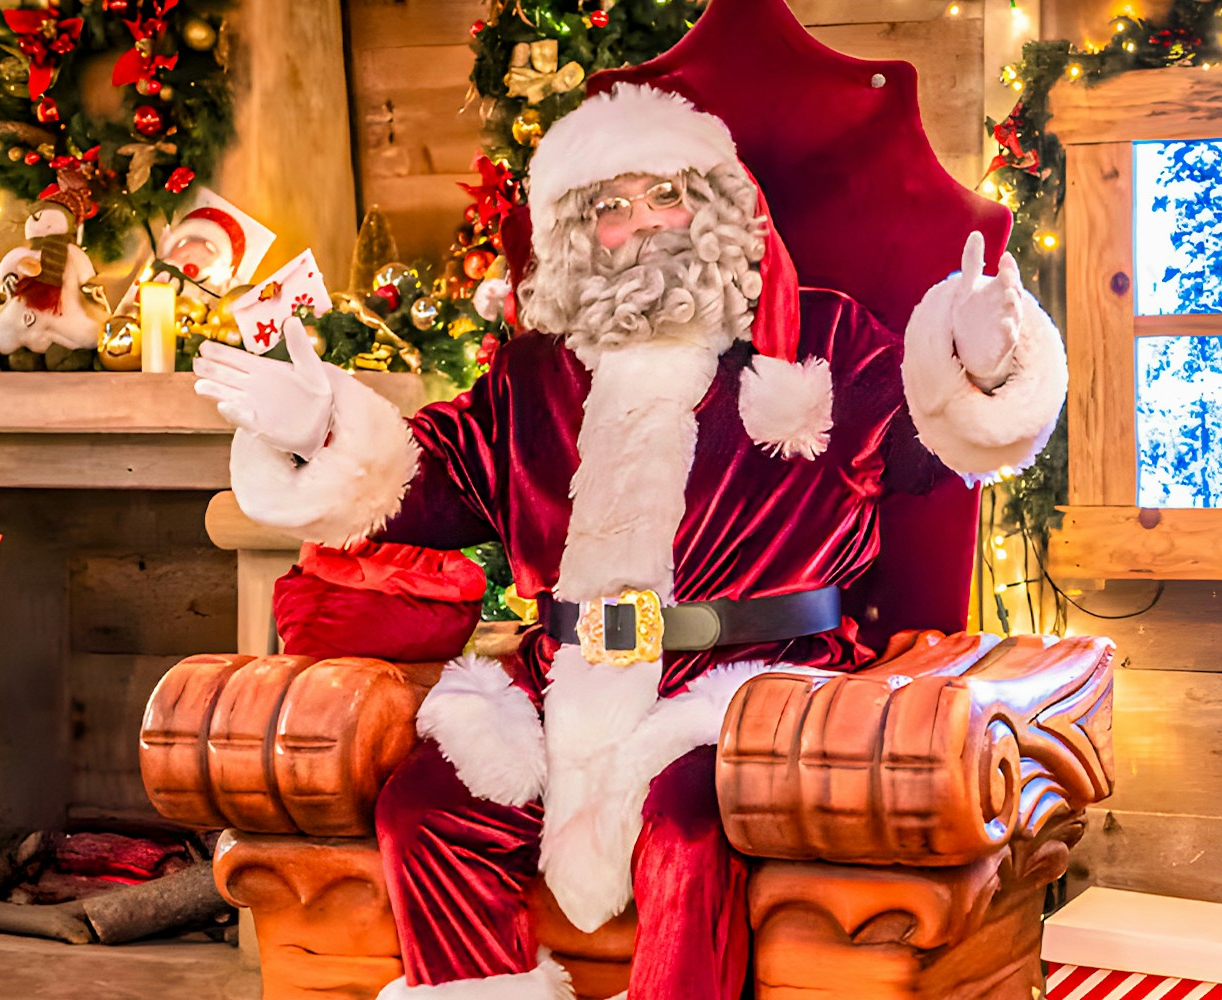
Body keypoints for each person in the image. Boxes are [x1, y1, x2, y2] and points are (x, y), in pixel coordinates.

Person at [193, 83, 1066, 1000]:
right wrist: (318, 432)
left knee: (687, 828)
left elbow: (936, 446)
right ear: (578, 233)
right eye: (611, 208)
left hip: (751, 679)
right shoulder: (537, 370)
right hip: (561, 679)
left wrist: (984, 361)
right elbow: (429, 482)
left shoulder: (822, 339)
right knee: (426, 806)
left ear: (720, 207)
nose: (644, 225)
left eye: (667, 195)